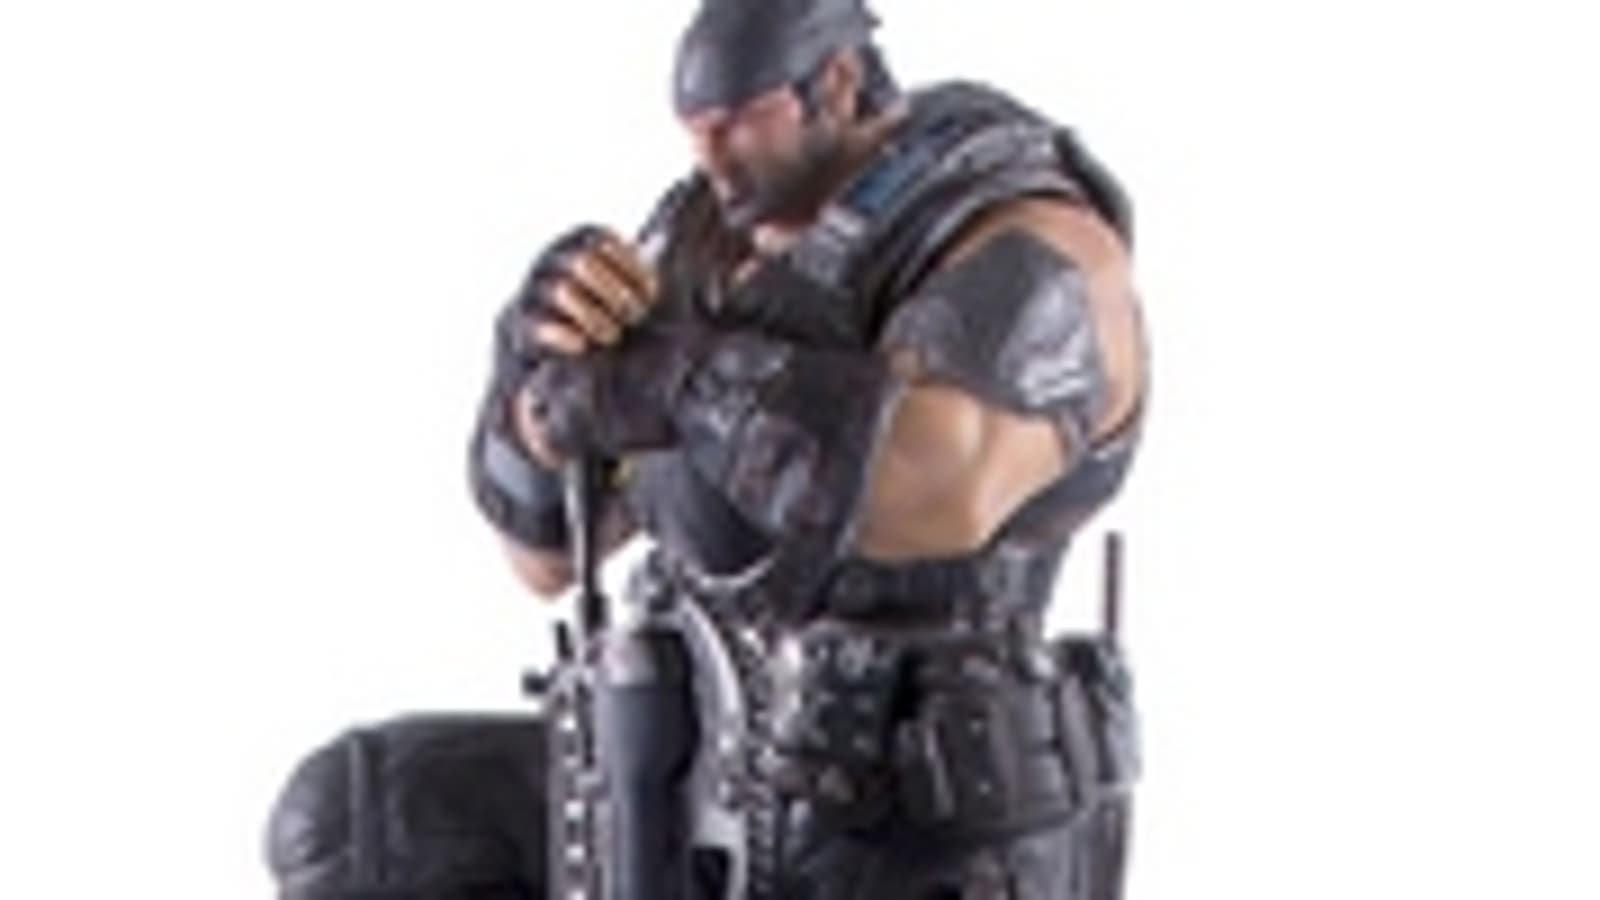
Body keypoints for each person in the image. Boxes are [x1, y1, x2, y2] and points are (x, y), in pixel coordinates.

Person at [265, 0, 1148, 897]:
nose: (711, 157)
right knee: (357, 826)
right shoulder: (703, 239)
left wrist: (681, 383)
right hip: (688, 765)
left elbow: (934, 487)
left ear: (837, 82)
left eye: (737, 124)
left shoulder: (1023, 237)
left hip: (916, 817)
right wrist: (541, 387)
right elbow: (542, 553)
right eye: (696, 129)